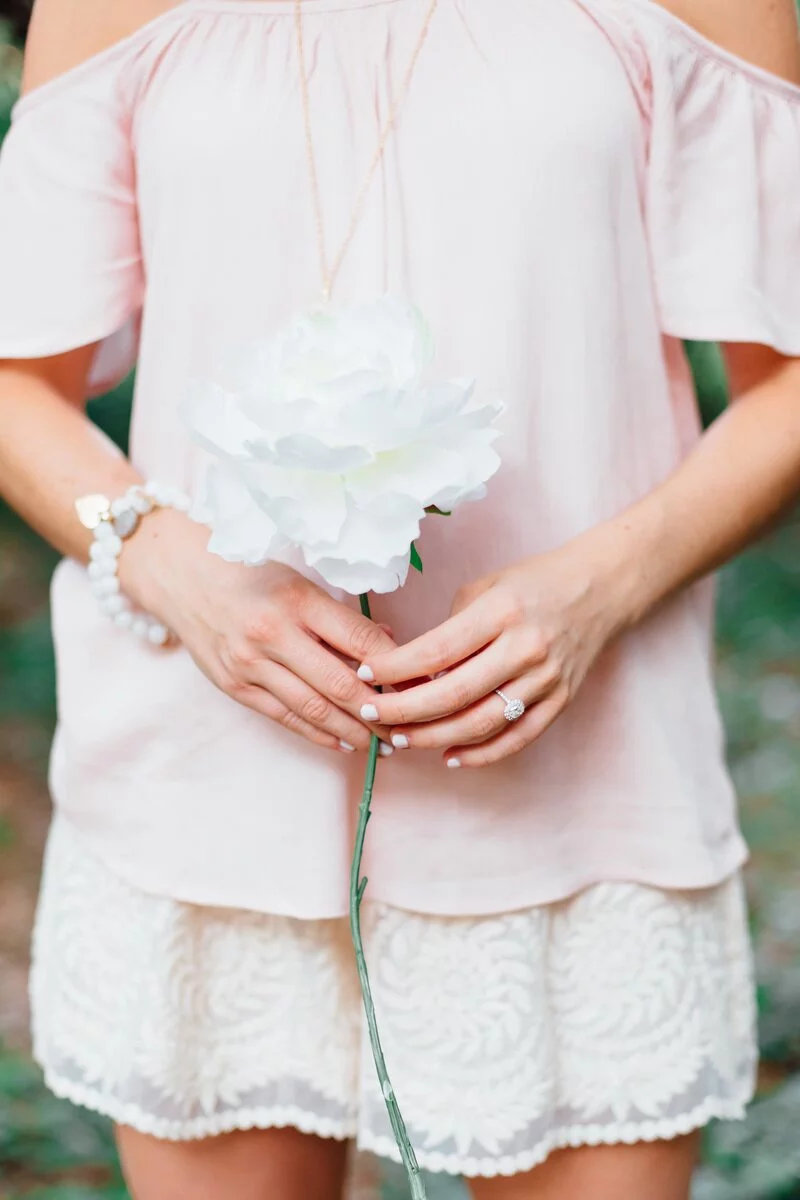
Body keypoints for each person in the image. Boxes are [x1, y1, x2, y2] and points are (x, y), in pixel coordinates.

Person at [1, 0, 799, 1196]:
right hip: (206, 783)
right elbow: (16, 377)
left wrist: (597, 589)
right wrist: (163, 562)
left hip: (574, 799)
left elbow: (785, 380)